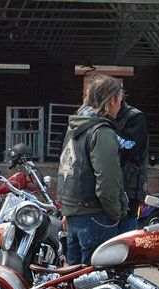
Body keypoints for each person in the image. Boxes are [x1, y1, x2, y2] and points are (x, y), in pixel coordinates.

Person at [57, 74, 127, 265]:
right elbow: (107, 180)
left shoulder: (75, 127)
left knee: (74, 276)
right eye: (120, 100)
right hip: (96, 215)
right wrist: (115, 212)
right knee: (99, 277)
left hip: (73, 214)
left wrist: (66, 210)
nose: (120, 106)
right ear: (111, 100)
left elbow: (65, 168)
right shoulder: (101, 131)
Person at [115, 99, 149, 233]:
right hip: (107, 190)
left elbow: (131, 151)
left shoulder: (135, 117)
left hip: (128, 188)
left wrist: (110, 135)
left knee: (126, 236)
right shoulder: (101, 118)